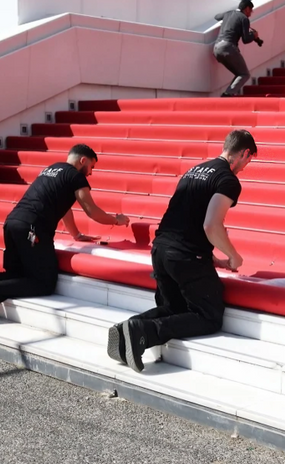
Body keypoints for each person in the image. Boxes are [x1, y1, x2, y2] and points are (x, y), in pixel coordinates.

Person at [107, 129, 257, 373]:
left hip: (161, 249)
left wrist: (212, 257)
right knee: (208, 316)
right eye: (248, 160)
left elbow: (187, 217)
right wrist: (233, 256)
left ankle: (126, 329)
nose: (245, 166)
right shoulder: (228, 179)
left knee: (174, 308)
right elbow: (211, 224)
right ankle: (142, 332)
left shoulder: (193, 171)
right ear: (244, 153)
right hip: (184, 256)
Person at [0, 145, 130, 323]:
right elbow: (91, 210)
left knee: (17, 274)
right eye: (91, 166)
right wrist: (116, 220)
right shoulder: (76, 176)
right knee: (43, 282)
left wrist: (76, 234)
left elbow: (64, 209)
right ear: (83, 160)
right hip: (32, 228)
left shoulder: (51, 170)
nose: (90, 173)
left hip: (13, 223)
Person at [213, 0, 262, 97]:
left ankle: (228, 94)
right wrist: (254, 36)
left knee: (239, 73)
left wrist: (228, 15)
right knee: (244, 74)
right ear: (247, 8)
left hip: (216, 48)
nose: (250, 14)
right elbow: (246, 39)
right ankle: (227, 95)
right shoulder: (244, 18)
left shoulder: (229, 13)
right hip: (228, 48)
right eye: (251, 11)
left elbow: (217, 17)